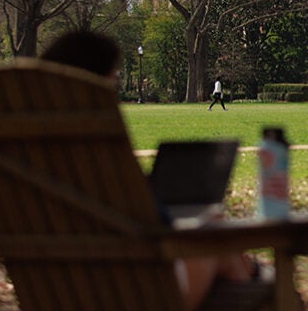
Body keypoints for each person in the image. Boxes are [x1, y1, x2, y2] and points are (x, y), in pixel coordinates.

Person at [40, 31, 258, 311]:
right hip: (132, 290)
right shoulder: (95, 149)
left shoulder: (28, 153)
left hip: (60, 288)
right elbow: (154, 220)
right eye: (112, 80)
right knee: (216, 239)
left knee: (219, 243)